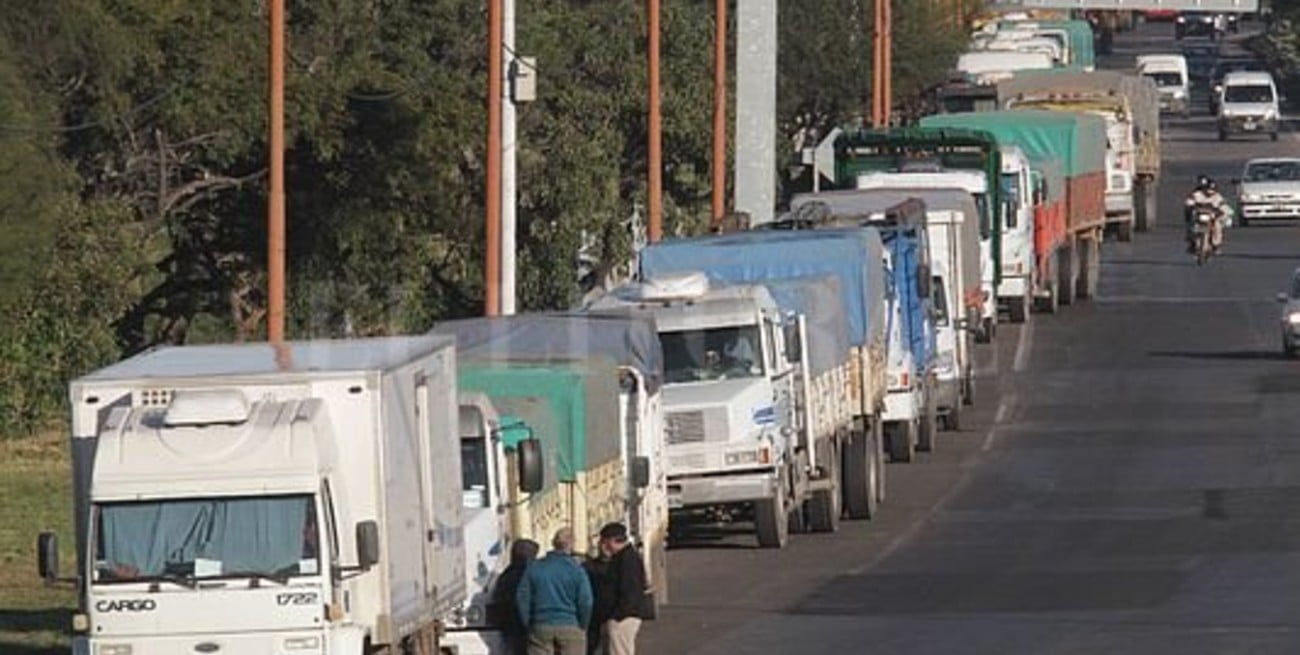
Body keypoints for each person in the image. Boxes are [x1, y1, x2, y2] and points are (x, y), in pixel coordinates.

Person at [517, 528, 593, 655]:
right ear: (571, 544)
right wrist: (583, 625)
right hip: (570, 624)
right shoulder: (577, 570)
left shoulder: (534, 567)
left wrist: (528, 623)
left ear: (553, 543)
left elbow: (522, 598)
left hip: (541, 624)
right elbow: (586, 601)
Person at [594, 523, 651, 655]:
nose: (603, 546)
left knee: (620, 651)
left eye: (604, 542)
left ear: (611, 540)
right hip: (624, 615)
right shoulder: (624, 557)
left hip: (623, 617)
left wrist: (617, 616)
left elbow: (629, 590)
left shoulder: (626, 559)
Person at [491, 538, 541, 655]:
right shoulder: (531, 573)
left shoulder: (506, 574)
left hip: (510, 626)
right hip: (528, 625)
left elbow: (498, 598)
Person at [1185, 175, 1228, 254]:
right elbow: (1189, 202)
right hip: (1199, 216)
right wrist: (1191, 206)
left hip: (1212, 217)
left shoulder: (1218, 197)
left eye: (1212, 190)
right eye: (1208, 190)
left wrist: (1222, 212)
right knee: (1192, 225)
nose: (1210, 192)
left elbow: (1224, 207)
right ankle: (1192, 241)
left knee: (1217, 226)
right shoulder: (1197, 194)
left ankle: (1216, 245)